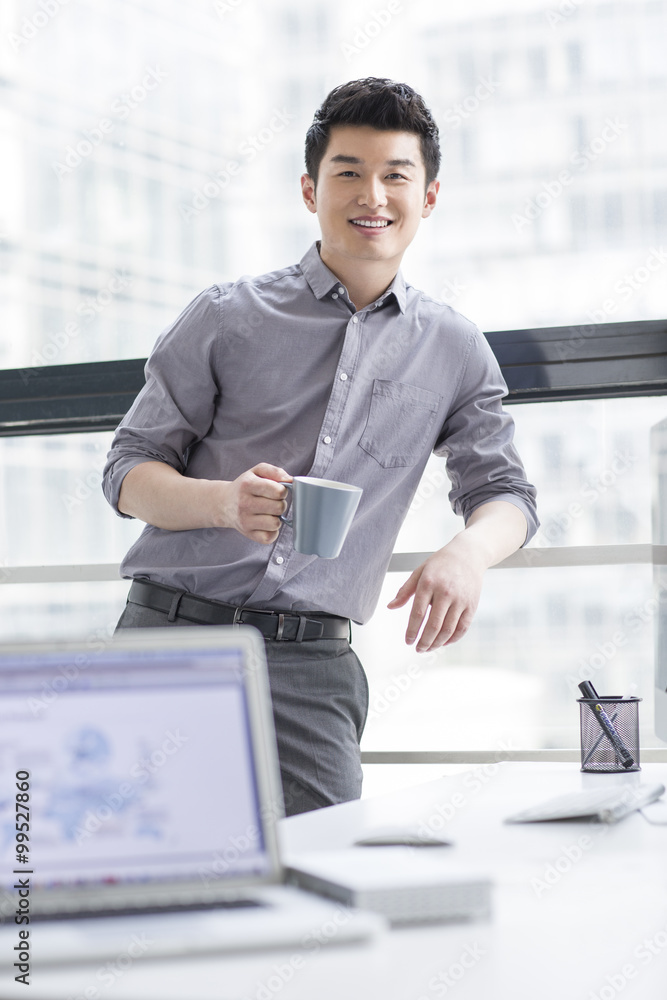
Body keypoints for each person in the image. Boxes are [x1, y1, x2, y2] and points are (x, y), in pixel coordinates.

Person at [102, 77, 538, 817]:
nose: (373, 194)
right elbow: (126, 471)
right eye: (348, 173)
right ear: (310, 190)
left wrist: (466, 554)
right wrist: (222, 503)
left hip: (310, 668)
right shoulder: (225, 315)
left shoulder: (454, 348)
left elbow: (507, 495)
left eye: (395, 175)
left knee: (325, 898)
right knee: (140, 883)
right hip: (169, 639)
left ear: (427, 197)